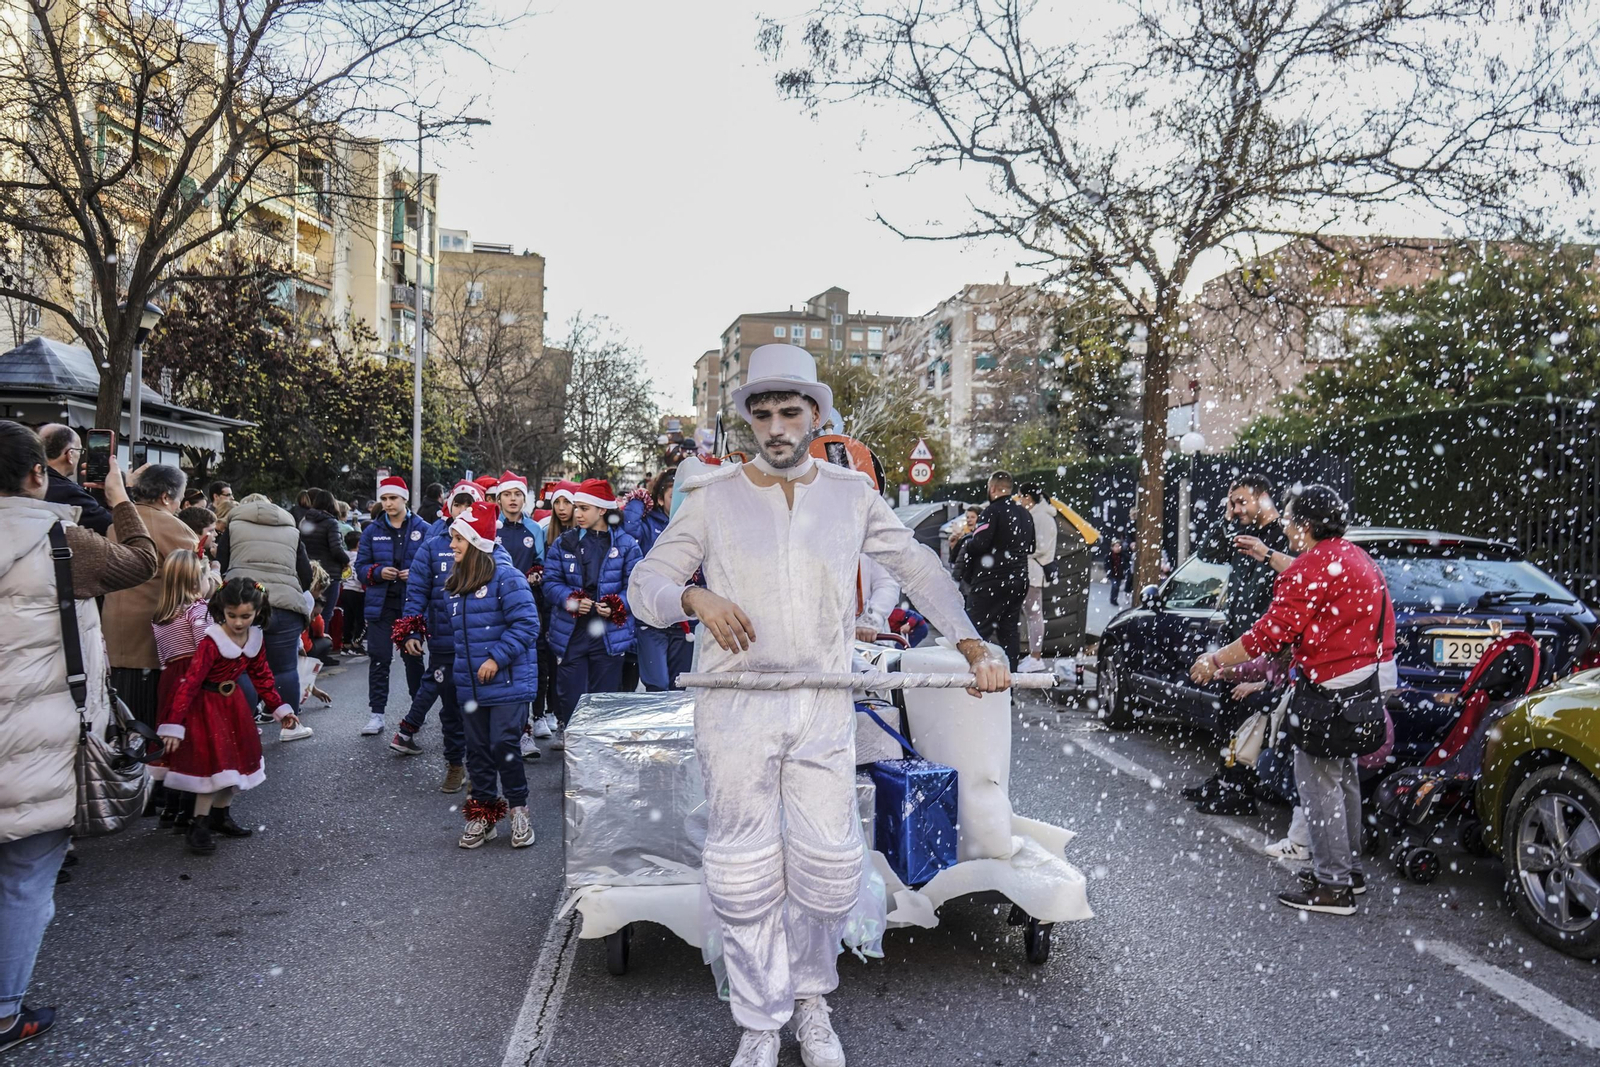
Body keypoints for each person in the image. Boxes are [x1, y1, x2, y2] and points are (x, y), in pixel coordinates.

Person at [629, 344, 1009, 1067]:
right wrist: (693, 596)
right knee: (743, 873)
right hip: (736, 707)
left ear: (815, 415)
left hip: (823, 703)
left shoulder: (851, 494)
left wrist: (969, 641)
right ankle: (759, 1020)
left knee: (829, 872)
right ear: (749, 419)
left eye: (789, 411)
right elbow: (647, 584)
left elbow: (918, 568)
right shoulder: (711, 496)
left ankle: (809, 1000)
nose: (776, 427)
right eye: (763, 413)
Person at [0, 425, 158, 1051]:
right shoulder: (62, 541)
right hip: (41, 742)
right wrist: (118, 497)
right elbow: (142, 561)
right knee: (24, 880)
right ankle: (4, 1013)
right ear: (37, 474)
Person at [1190, 485, 1394, 916]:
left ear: (1304, 525)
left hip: (1328, 688)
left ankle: (1333, 885)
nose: (1284, 527)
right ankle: (1349, 872)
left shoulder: (1314, 567)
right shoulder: (1355, 557)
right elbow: (1316, 578)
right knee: (1344, 778)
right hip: (1361, 682)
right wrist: (1268, 555)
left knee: (1317, 784)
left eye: (1288, 521)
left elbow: (1269, 634)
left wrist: (1215, 660)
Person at [159, 578, 307, 854]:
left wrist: (280, 709)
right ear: (222, 611)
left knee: (238, 763)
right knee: (212, 768)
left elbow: (262, 676)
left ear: (257, 612)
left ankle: (220, 815)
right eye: (232, 615)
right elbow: (190, 682)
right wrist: (174, 722)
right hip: (206, 707)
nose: (238, 622)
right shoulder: (211, 641)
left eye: (245, 616)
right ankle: (198, 825)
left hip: (234, 706)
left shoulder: (255, 639)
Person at [445, 502, 541, 849]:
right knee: (477, 751)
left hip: (508, 682)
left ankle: (518, 810)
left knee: (504, 745)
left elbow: (527, 624)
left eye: (458, 539)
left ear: (475, 542)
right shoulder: (458, 579)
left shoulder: (508, 577)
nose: (452, 545)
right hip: (470, 684)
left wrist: (496, 659)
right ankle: (483, 815)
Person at [390, 480, 485, 794]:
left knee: (478, 707)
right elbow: (416, 591)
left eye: (470, 505)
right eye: (458, 504)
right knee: (451, 708)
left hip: (481, 642)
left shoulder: (488, 544)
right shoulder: (432, 546)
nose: (463, 510)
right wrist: (412, 629)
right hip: (444, 640)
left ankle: (478, 766)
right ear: (449, 507)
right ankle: (455, 764)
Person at [103, 465, 199, 731]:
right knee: (149, 721)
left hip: (113, 634)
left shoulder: (116, 523)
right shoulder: (175, 528)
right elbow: (194, 583)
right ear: (167, 497)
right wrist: (213, 575)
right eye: (179, 498)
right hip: (151, 637)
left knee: (122, 718)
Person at [543, 479, 641, 733]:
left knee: (603, 703)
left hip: (609, 635)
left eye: (584, 508)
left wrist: (617, 604)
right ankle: (573, 744)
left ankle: (598, 750)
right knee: (571, 700)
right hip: (572, 633)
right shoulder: (564, 542)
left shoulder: (627, 545)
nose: (577, 513)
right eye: (577, 507)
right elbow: (550, 583)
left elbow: (636, 587)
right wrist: (571, 600)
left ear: (602, 510)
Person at [216, 493, 314, 722]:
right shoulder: (291, 530)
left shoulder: (234, 526)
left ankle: (246, 724)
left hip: (243, 604)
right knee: (285, 669)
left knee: (241, 668)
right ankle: (290, 725)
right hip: (286, 605)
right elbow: (306, 575)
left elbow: (221, 564)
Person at [150, 549, 221, 827]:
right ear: (195, 582)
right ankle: (190, 811)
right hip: (194, 678)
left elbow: (163, 656)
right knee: (196, 740)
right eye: (206, 578)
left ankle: (171, 807)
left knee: (173, 739)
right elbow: (206, 647)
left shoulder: (161, 615)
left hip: (169, 679)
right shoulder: (198, 610)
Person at [354, 477, 429, 736]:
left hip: (411, 604)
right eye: (384, 499)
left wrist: (415, 573)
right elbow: (360, 568)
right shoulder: (371, 531)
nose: (387, 503)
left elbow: (432, 568)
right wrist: (377, 572)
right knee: (379, 658)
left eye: (392, 498)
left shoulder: (424, 529)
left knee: (413, 658)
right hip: (381, 605)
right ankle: (377, 714)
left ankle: (418, 710)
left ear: (404, 498)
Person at [623, 468, 694, 691]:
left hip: (682, 621)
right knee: (657, 684)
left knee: (678, 685)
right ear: (661, 499)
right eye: (674, 497)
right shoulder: (648, 525)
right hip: (651, 619)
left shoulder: (694, 526)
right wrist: (639, 500)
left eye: (685, 497)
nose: (680, 503)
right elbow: (629, 529)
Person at [957, 470, 1034, 670]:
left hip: (991, 581)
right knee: (1009, 632)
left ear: (992, 488)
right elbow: (1031, 547)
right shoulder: (1025, 513)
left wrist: (967, 542)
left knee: (973, 632)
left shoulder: (991, 511)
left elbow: (979, 544)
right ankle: (1010, 678)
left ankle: (973, 678)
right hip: (1019, 580)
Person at [37, 424, 113, 536]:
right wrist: (117, 494)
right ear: (70, 454)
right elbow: (116, 529)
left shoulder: (27, 483)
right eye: (80, 450)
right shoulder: (70, 493)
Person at [1018, 483, 1058, 673]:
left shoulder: (1041, 517)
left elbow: (1040, 547)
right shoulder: (1039, 515)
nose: (1019, 500)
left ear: (1028, 497)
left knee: (1034, 616)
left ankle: (1036, 657)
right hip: (1032, 571)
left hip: (1034, 573)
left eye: (1020, 496)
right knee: (1032, 615)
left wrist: (1020, 551)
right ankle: (1034, 655)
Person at [298, 488, 349, 628]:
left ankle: (307, 640)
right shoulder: (331, 523)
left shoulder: (304, 521)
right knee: (325, 614)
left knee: (308, 612)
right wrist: (346, 560)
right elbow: (336, 549)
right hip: (329, 573)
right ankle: (321, 638)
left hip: (308, 572)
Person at [1106, 538, 1130, 606]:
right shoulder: (1109, 556)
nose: (1117, 548)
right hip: (1112, 573)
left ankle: (1114, 599)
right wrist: (1108, 570)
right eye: (1116, 546)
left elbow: (1126, 563)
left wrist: (1125, 569)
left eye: (1119, 546)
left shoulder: (1122, 555)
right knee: (1115, 585)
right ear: (1112, 547)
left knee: (1117, 586)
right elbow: (1106, 565)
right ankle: (1113, 599)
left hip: (1119, 573)